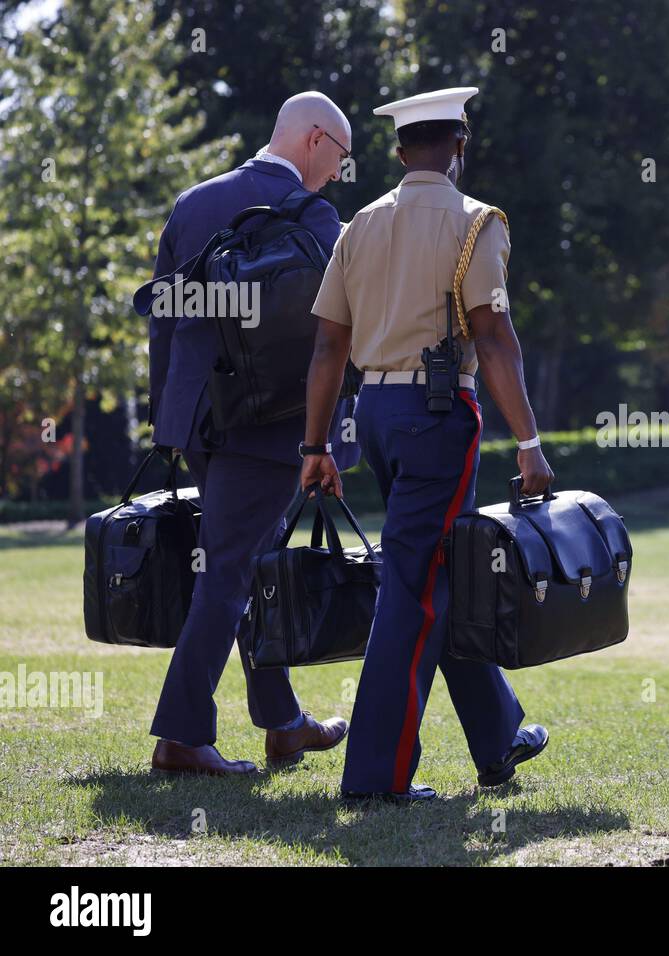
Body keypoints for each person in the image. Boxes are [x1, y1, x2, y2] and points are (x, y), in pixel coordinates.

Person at [300, 86, 553, 803]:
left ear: (401, 150)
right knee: (412, 588)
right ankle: (377, 780)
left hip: (373, 411)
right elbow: (495, 337)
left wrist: (314, 445)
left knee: (434, 572)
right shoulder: (476, 223)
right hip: (438, 414)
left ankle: (498, 735)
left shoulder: (362, 224)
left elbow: (327, 344)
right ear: (460, 147)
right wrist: (529, 443)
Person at [145, 92, 358, 776]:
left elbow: (164, 320)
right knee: (232, 571)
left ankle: (283, 723)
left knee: (244, 563)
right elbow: (337, 332)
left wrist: (167, 418)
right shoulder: (316, 217)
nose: (339, 171)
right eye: (343, 156)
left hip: (200, 421)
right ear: (315, 139)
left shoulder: (193, 201)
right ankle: (181, 736)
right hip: (268, 428)